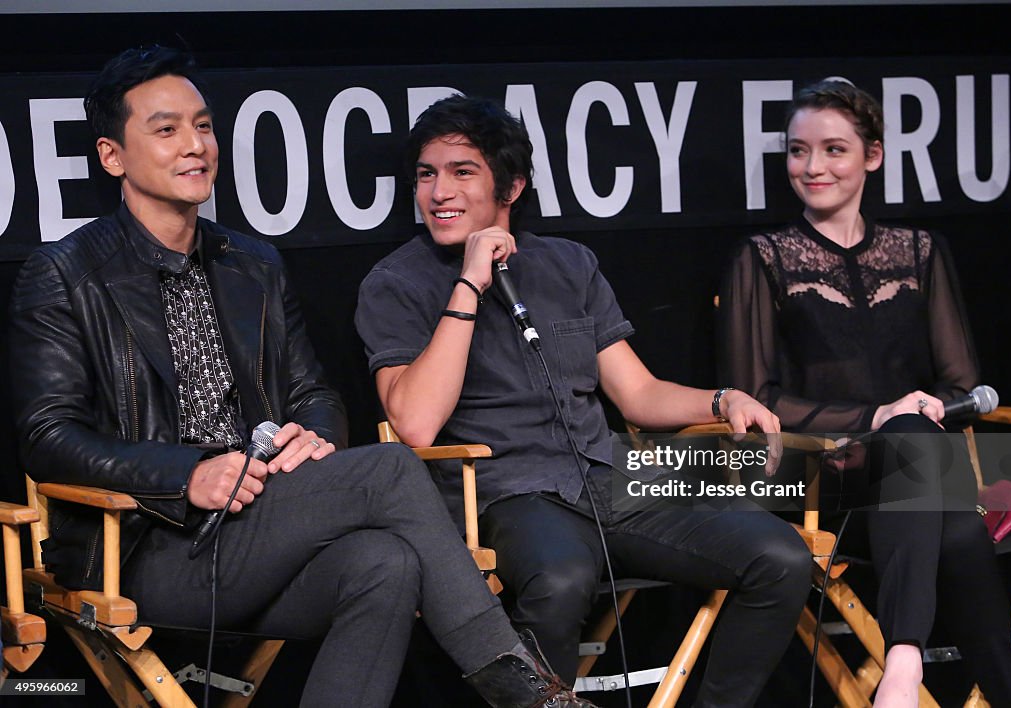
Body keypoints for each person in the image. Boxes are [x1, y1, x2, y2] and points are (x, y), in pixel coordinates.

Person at [7, 45, 595, 708]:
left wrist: (314, 436)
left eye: (203, 126)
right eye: (166, 129)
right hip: (145, 544)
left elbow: (312, 391)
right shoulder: (62, 273)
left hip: (263, 521)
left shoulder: (251, 264)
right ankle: (526, 694)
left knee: (386, 564)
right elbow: (47, 436)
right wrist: (185, 472)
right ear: (113, 156)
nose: (195, 145)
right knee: (392, 468)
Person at [355, 94, 811, 707]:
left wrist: (723, 398)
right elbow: (414, 423)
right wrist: (468, 283)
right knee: (562, 580)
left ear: (510, 186)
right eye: (426, 175)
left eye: (462, 172)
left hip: (610, 476)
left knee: (781, 556)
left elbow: (639, 393)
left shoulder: (569, 264)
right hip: (506, 492)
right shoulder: (395, 283)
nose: (439, 191)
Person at [718, 79, 1011, 707]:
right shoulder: (764, 256)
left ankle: (901, 665)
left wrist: (929, 408)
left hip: (926, 480)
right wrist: (877, 414)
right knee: (946, 506)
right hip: (819, 478)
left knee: (927, 468)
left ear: (873, 157)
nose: (813, 167)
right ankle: (931, 672)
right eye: (798, 151)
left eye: (833, 149)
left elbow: (961, 382)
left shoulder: (920, 250)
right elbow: (754, 396)